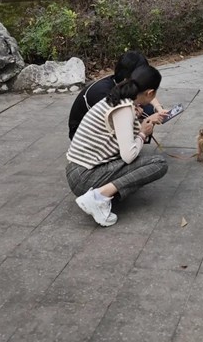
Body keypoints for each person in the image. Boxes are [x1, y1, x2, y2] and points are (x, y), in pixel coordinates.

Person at [66, 64, 168, 227]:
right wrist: (143, 133)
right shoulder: (124, 108)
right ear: (150, 93)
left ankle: (102, 196)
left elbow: (121, 136)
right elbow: (128, 155)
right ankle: (98, 197)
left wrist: (141, 122)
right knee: (158, 164)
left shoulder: (119, 96)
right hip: (84, 176)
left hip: (79, 169)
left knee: (139, 164)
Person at [68, 50, 167, 140]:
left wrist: (158, 109)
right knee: (141, 117)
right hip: (83, 134)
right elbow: (119, 121)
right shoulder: (104, 94)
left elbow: (146, 92)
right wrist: (148, 121)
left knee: (148, 108)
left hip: (104, 121)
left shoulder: (119, 82)